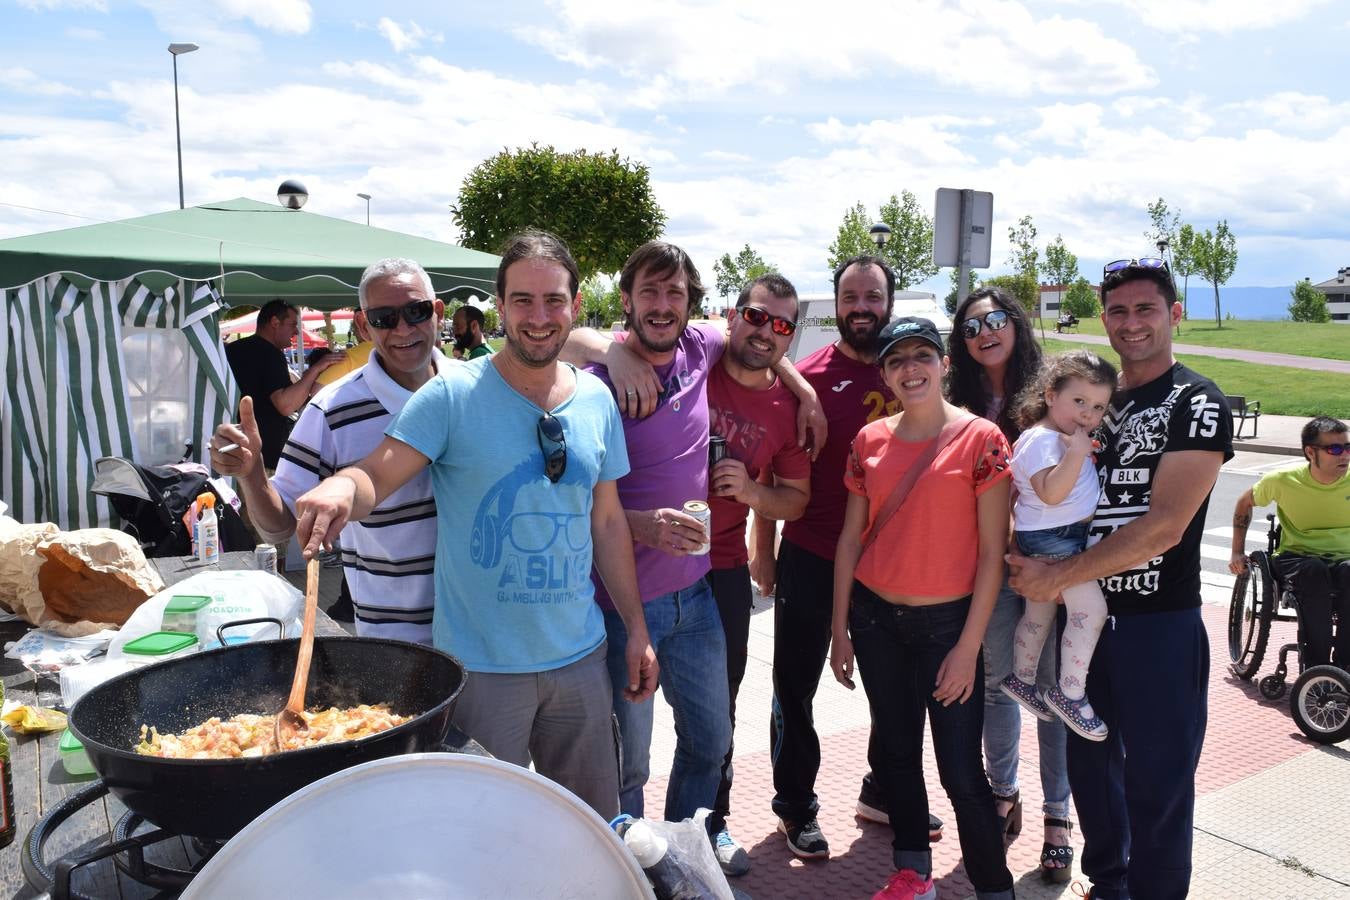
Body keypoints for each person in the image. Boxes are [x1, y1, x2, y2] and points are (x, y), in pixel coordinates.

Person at [291, 232, 659, 819]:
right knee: (482, 834)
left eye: (553, 300)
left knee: (590, 826)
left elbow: (608, 522)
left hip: (581, 659)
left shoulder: (596, 399)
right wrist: (340, 487)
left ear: (577, 304)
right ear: (499, 304)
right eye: (522, 300)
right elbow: (377, 473)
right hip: (483, 672)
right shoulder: (451, 395)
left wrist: (636, 629)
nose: (539, 318)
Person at [560, 240, 823, 831]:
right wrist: (613, 351)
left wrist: (804, 390)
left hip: (697, 596)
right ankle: (627, 870)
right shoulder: (594, 386)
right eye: (648, 292)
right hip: (619, 605)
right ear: (624, 300)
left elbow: (760, 340)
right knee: (628, 763)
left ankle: (682, 856)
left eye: (674, 292)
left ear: (692, 304)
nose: (661, 304)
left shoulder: (697, 349)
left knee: (711, 740)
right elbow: (567, 502)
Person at [1009, 257, 1231, 900]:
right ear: (1103, 319)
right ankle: (1108, 884)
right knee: (1090, 769)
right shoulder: (1096, 402)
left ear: (1174, 314)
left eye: (1146, 308)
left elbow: (1162, 528)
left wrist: (1058, 576)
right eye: (1118, 311)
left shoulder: (1196, 402)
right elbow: (1036, 485)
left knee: (1158, 781)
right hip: (1089, 616)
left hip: (1159, 622)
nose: (1131, 323)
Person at [755, 254, 941, 859]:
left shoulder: (911, 376)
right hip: (810, 555)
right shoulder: (802, 378)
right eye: (851, 297)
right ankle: (794, 806)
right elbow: (771, 468)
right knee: (795, 688)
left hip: (892, 567)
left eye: (873, 297)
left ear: (890, 302)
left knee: (897, 693)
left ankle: (884, 790)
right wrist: (764, 549)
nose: (862, 308)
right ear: (836, 304)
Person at [830, 317, 1015, 900]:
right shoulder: (869, 441)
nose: (910, 370)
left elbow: (993, 555)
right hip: (877, 619)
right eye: (896, 361)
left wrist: (968, 648)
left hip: (947, 628)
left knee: (962, 771)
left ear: (943, 364)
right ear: (884, 373)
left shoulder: (982, 440)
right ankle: (913, 874)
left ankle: (993, 886)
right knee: (897, 754)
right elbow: (850, 540)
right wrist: (841, 629)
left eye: (921, 357)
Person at [210, 259, 452, 642]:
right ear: (363, 325)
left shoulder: (473, 391)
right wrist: (252, 473)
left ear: (437, 312)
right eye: (384, 317)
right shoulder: (332, 409)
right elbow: (281, 526)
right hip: (399, 640)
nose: (403, 328)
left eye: (416, 311)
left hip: (486, 631)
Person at [947, 286, 1073, 879]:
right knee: (1000, 685)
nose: (986, 332)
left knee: (1051, 692)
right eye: (972, 327)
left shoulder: (1051, 393)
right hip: (988, 568)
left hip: (1051, 565)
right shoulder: (955, 402)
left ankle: (1057, 818)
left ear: (1017, 325)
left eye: (996, 320)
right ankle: (1004, 791)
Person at [705, 273, 811, 875]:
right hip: (643, 560)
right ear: (731, 315)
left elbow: (794, 500)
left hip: (721, 569)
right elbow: (592, 340)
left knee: (719, 705)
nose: (765, 330)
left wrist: (750, 489)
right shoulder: (694, 356)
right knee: (627, 700)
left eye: (781, 325)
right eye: (755, 315)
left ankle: (711, 824)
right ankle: (625, 820)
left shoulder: (787, 408)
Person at [1001, 351, 1116, 744]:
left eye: (1098, 406)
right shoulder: (1042, 440)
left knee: (1040, 611)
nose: (1087, 414)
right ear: (1051, 396)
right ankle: (1070, 694)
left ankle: (1022, 677)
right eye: (1079, 401)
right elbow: (1051, 492)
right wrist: (1078, 453)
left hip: (1055, 534)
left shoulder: (1058, 439)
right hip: (1055, 535)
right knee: (1091, 609)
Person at [1229, 415, 1350, 669]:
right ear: (1310, 452)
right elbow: (1244, 503)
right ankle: (1316, 668)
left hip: (1344, 558)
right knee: (1314, 571)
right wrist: (1237, 552)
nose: (1344, 455)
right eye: (1335, 449)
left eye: (1348, 447)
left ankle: (1344, 667)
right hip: (1298, 557)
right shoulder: (1283, 479)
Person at [225, 299, 345, 469]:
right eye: (292, 324)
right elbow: (286, 405)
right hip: (263, 456)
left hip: (232, 448)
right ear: (275, 322)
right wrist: (316, 369)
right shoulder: (270, 353)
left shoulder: (233, 349)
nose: (296, 331)